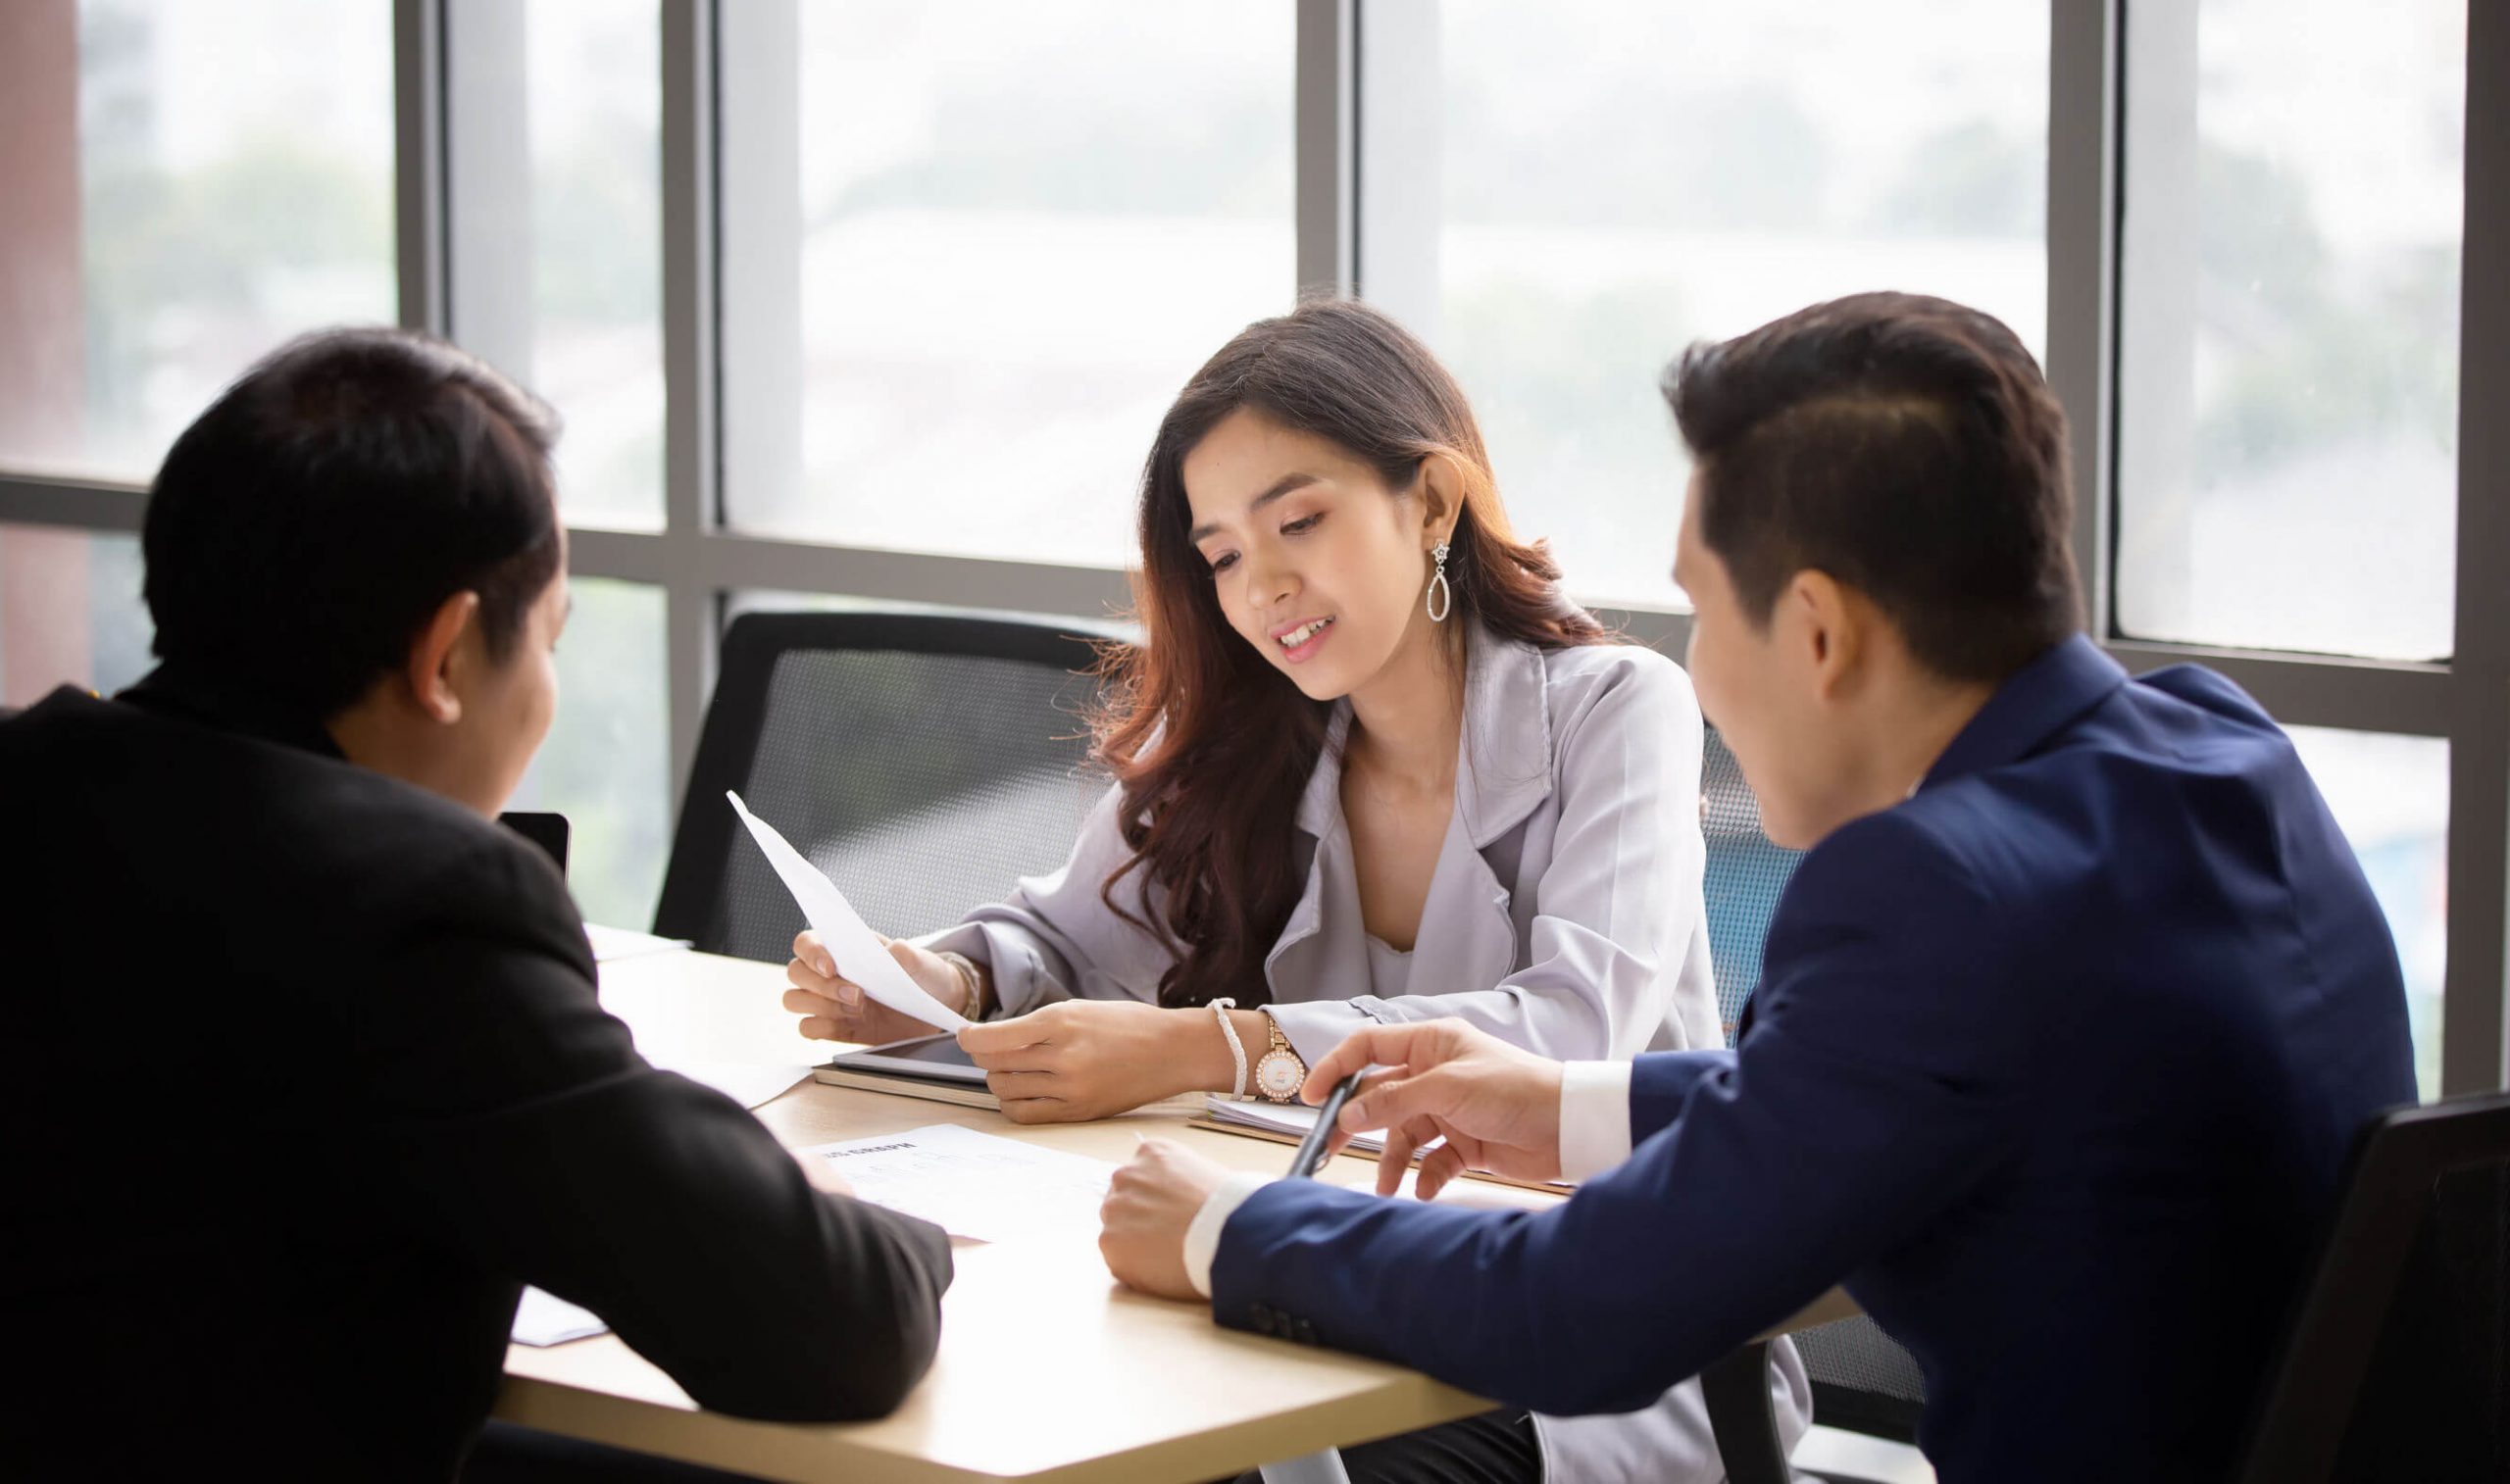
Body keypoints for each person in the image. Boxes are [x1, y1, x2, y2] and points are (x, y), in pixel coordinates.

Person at [1096, 292, 2420, 1484]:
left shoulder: (1935, 896)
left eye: (1705, 609)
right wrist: (1553, 1103)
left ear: (1821, 632)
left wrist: (1235, 1230)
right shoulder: (2216, 748)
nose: (1697, 670)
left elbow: (1579, 1311)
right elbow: (1887, 1085)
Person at [779, 298, 1806, 1480]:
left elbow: (1573, 1032)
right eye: (1220, 554)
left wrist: (1207, 1047)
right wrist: (941, 979)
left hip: (1592, 1332)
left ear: (1431, 501)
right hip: (1319, 1293)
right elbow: (1060, 932)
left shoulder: (1616, 709)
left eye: (1299, 522)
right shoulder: (1253, 739)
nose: (1261, 586)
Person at [0, 328, 953, 1481]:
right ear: (444, 653)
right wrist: (826, 1192)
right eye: (547, 639)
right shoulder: (413, 911)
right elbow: (831, 1323)